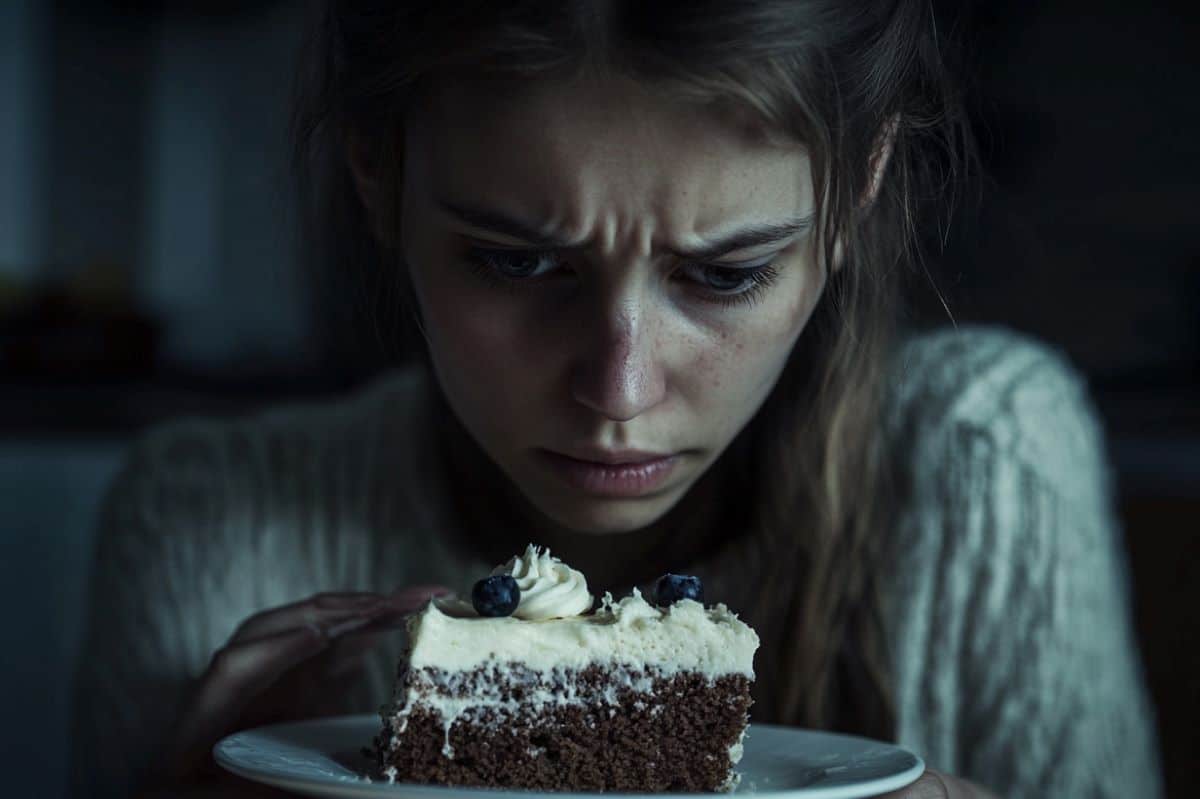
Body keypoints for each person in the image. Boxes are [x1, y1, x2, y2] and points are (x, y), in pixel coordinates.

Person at [68, 1, 1164, 797]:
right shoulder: (202, 513)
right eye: (515, 263)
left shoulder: (988, 459)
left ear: (859, 191)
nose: (619, 389)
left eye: (726, 275)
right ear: (376, 171)